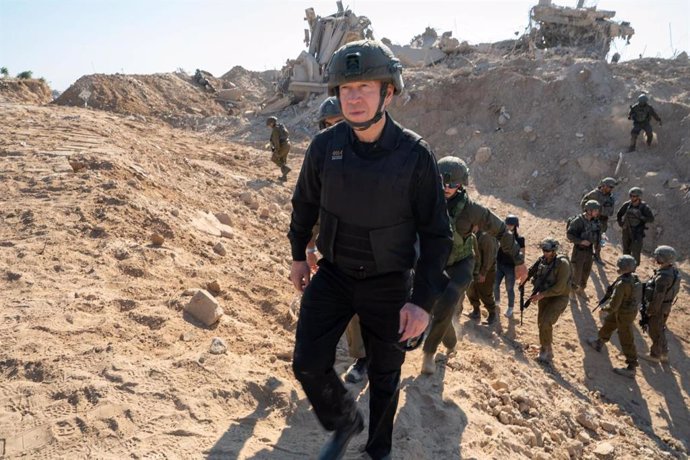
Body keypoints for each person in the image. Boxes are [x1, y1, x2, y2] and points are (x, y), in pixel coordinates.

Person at [288, 39, 452, 460]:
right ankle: (345, 421)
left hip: (390, 283)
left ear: (389, 91)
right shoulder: (325, 147)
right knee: (307, 361)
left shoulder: (415, 155)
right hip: (336, 274)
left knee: (384, 376)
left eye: (364, 87)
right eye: (346, 89)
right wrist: (297, 254)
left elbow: (437, 234)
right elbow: (304, 203)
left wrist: (421, 303)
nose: (354, 98)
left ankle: (377, 451)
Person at [421, 156, 526, 375]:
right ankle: (450, 343)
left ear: (461, 185)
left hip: (461, 264)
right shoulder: (424, 201)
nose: (446, 188)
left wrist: (519, 260)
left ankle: (429, 353)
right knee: (436, 308)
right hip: (434, 262)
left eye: (452, 184)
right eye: (442, 182)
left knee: (447, 301)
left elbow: (501, 231)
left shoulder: (472, 210)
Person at [308, 96, 367, 383]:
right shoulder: (322, 161)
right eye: (328, 125)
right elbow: (312, 208)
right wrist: (308, 246)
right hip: (332, 249)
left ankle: (363, 358)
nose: (334, 130)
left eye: (339, 123)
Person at [587, 255, 643, 378]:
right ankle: (599, 342)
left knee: (626, 338)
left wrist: (605, 309)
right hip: (626, 311)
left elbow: (614, 304)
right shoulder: (634, 278)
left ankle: (631, 367)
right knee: (609, 323)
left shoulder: (623, 284)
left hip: (624, 313)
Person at [524, 238, 572, 364]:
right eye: (543, 250)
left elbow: (560, 287)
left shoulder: (563, 264)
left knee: (546, 322)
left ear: (554, 250)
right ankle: (546, 347)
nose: (544, 252)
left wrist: (541, 295)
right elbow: (532, 271)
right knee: (541, 322)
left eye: (547, 250)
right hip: (544, 295)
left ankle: (545, 350)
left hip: (559, 297)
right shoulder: (543, 260)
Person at [640, 246, 681, 364]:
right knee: (660, 329)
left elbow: (658, 296)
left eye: (658, 256)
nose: (655, 258)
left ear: (664, 259)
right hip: (666, 307)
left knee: (655, 330)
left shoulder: (663, 277)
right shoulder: (673, 271)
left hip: (659, 307)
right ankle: (664, 353)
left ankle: (655, 355)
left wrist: (650, 311)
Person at [580, 177, 617, 265]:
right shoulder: (594, 194)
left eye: (612, 188)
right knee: (587, 237)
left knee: (598, 239)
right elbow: (583, 203)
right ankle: (584, 256)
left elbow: (610, 212)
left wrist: (600, 210)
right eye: (609, 187)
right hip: (591, 219)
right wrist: (589, 213)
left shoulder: (610, 198)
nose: (611, 189)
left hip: (602, 221)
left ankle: (597, 256)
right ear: (604, 186)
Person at [494, 214, 525, 318]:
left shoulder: (520, 239)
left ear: (515, 226)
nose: (508, 226)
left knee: (509, 289)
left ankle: (510, 308)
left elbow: (522, 255)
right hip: (499, 264)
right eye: (507, 224)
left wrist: (519, 270)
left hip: (510, 268)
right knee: (495, 284)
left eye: (511, 225)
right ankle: (496, 301)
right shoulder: (501, 235)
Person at [467, 226, 499, 324]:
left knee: (485, 292)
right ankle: (476, 310)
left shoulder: (486, 236)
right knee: (470, 289)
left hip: (487, 270)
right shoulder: (472, 232)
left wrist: (483, 273)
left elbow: (489, 258)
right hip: (474, 267)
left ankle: (492, 314)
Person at [616, 187, 655, 266]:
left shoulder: (644, 207)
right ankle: (625, 267)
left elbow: (651, 219)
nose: (632, 198)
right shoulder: (627, 205)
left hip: (637, 232)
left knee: (636, 251)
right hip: (627, 230)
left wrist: (641, 217)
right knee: (626, 250)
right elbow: (619, 214)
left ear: (638, 197)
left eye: (634, 196)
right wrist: (621, 223)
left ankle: (633, 268)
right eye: (631, 196)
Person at [266, 116, 292, 180]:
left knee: (274, 158)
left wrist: (276, 151)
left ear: (272, 123)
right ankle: (284, 177)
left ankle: (286, 168)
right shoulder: (280, 126)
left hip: (283, 146)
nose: (269, 126)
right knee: (283, 160)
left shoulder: (275, 130)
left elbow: (276, 141)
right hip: (287, 144)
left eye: (269, 124)